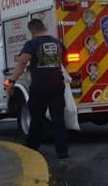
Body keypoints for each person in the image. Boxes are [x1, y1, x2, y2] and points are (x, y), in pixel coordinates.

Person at [6, 19, 69, 159]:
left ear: (32, 31)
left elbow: (22, 62)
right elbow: (64, 62)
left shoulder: (32, 43)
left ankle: (33, 149)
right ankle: (62, 152)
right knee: (58, 118)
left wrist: (12, 81)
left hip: (40, 86)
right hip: (58, 85)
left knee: (37, 118)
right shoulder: (57, 42)